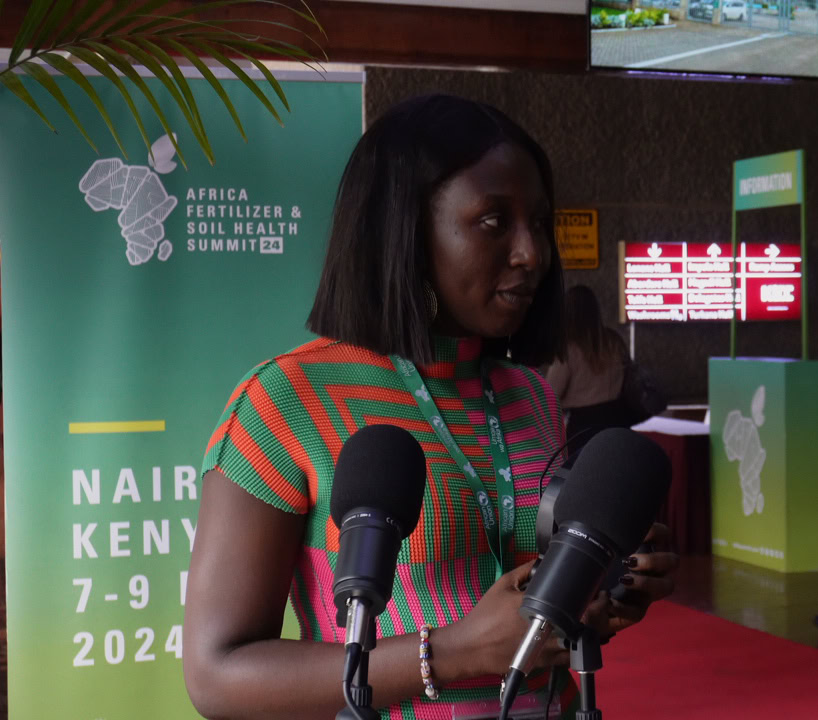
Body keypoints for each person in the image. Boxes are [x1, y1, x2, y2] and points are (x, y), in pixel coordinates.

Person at [183, 94, 678, 720]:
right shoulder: (287, 398)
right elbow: (217, 674)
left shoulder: (528, 395)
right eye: (494, 221)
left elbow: (535, 615)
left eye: (539, 222)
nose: (532, 253)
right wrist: (448, 654)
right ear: (405, 232)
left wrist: (605, 589)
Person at [544, 285, 632, 456]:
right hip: (618, 423)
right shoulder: (614, 341)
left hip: (582, 429)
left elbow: (549, 396)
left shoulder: (568, 349)